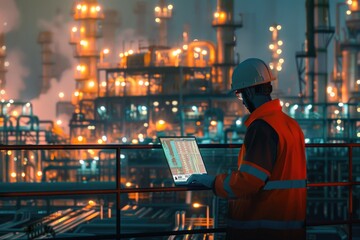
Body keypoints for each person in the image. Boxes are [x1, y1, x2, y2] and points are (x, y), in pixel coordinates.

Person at [188, 58, 307, 240]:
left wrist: (212, 182)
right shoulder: (290, 125)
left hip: (263, 229)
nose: (242, 101)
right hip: (291, 226)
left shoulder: (262, 127)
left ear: (250, 91)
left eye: (240, 94)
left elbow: (249, 181)